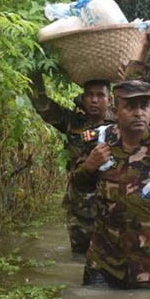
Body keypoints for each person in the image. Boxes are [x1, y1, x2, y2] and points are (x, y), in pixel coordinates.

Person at [73, 74, 150, 289]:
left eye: (144, 106)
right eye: (130, 106)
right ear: (115, 109)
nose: (139, 113)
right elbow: (77, 187)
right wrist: (89, 166)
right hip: (104, 263)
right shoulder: (98, 143)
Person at [28, 73, 113, 253]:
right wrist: (34, 72)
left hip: (113, 208)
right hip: (81, 207)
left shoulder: (121, 126)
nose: (94, 100)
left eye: (100, 95)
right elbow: (43, 106)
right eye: (89, 95)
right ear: (83, 98)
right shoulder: (72, 122)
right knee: (79, 257)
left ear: (110, 99)